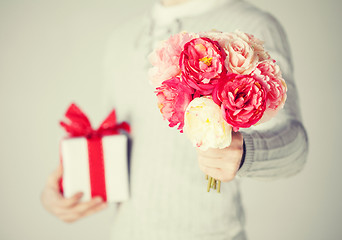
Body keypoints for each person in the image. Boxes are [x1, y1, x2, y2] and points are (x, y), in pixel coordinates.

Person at [41, 0, 308, 239]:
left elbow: (296, 149)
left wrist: (246, 153)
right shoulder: (119, 40)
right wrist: (69, 188)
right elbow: (121, 146)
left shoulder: (253, 26)